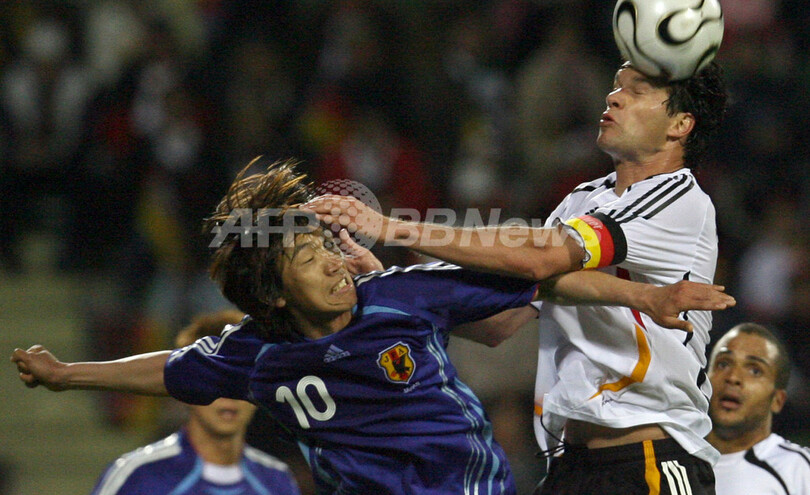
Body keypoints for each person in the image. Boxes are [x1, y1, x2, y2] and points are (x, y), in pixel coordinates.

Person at [12, 159, 733, 494]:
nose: (333, 263)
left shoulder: (401, 296)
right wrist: (67, 374)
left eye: (327, 247)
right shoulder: (256, 353)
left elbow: (540, 280)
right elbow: (172, 372)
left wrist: (647, 296)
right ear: (274, 292)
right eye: (308, 257)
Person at [305, 60, 730, 494]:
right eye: (617, 86)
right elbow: (499, 320)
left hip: (651, 460)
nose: (613, 97)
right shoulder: (582, 200)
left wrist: (393, 228)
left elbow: (541, 259)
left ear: (680, 124)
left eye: (636, 91)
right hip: (572, 467)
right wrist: (388, 289)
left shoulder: (678, 197)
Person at [90, 309, 301, 495]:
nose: (228, 396)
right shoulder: (137, 476)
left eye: (239, 380)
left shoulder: (278, 481)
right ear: (184, 387)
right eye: (213, 379)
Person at [707, 322, 810, 494]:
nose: (733, 377)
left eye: (755, 371)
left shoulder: (799, 470)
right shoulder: (671, 458)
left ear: (777, 400)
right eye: (723, 364)